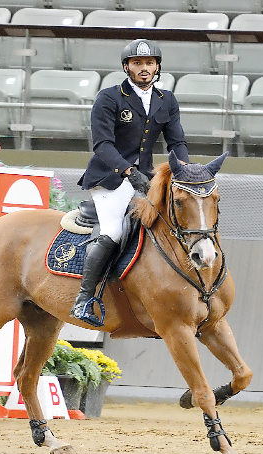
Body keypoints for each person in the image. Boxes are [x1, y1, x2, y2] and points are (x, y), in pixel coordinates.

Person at [71, 38, 190, 327]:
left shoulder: (167, 100)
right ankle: (84, 299)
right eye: (137, 63)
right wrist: (126, 170)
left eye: (150, 62)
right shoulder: (109, 97)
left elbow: (177, 141)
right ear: (127, 67)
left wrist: (185, 173)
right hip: (110, 176)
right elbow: (102, 144)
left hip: (145, 177)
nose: (144, 68)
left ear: (158, 66)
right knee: (112, 232)